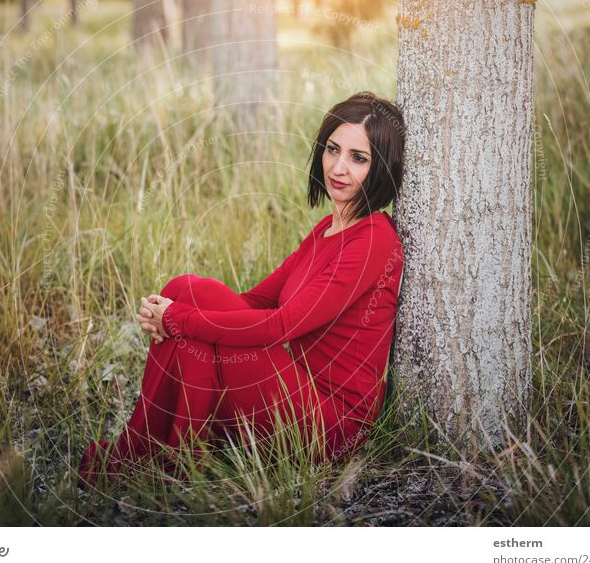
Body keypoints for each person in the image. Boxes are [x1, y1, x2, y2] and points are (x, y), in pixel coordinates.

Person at [77, 91, 405, 489]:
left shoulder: (374, 242)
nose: (338, 167)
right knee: (185, 290)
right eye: (333, 149)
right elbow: (256, 301)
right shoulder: (325, 231)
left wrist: (176, 319)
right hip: (294, 388)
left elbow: (279, 326)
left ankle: (159, 456)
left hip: (330, 426)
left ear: (381, 168)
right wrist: (179, 313)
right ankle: (165, 453)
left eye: (358, 157)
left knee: (188, 312)